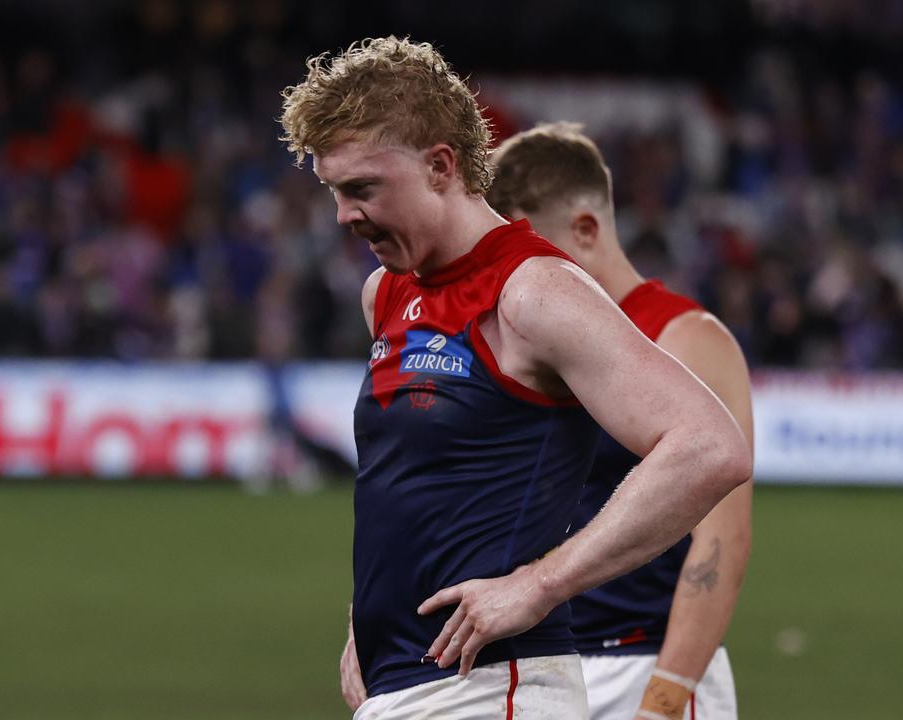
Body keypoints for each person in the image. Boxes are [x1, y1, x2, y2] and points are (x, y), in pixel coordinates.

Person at [279, 38, 751, 719]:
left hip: (489, 690)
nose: (344, 216)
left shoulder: (533, 292)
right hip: (407, 688)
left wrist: (538, 585)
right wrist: (367, 617)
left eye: (361, 189)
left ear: (441, 165)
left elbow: (709, 445)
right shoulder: (385, 292)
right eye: (333, 192)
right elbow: (410, 483)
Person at [488, 122, 754, 720]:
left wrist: (662, 701)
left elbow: (721, 543)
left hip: (643, 666)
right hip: (535, 667)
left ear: (585, 229)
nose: (509, 267)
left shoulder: (685, 338)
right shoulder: (520, 340)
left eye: (522, 243)